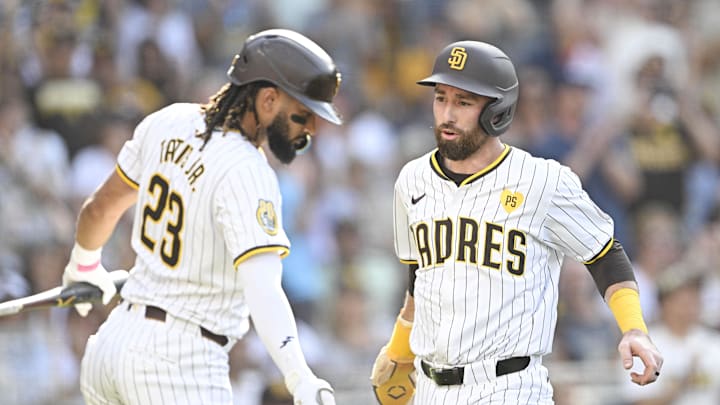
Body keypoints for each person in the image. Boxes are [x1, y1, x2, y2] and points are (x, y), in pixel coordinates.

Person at [370, 40, 663, 404]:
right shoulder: (412, 180)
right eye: (441, 97)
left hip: (509, 386)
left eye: (463, 102)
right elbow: (421, 277)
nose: (446, 113)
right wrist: (400, 348)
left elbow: (604, 253)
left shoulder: (542, 181)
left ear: (498, 109)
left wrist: (634, 328)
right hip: (431, 389)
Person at [61, 29, 342, 405]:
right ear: (269, 99)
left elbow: (101, 207)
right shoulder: (249, 171)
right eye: (303, 114)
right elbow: (264, 289)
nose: (310, 129)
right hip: (178, 365)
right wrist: (298, 375)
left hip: (110, 349)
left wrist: (83, 264)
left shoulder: (166, 121)